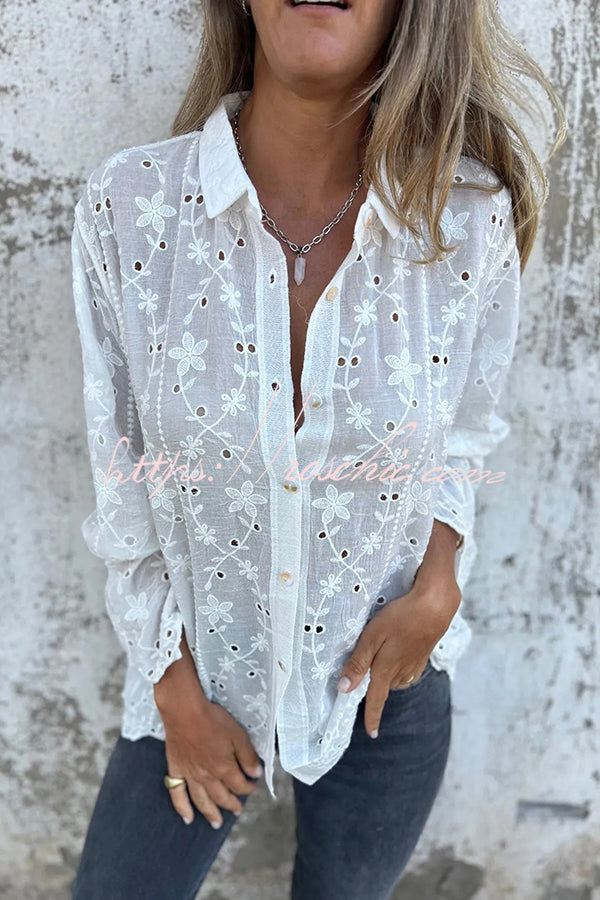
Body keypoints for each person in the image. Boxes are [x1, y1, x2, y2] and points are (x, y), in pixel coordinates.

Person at [70, 1, 565, 897]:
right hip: (195, 681)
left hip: (385, 685)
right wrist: (174, 694)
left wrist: (440, 583)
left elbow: (465, 433)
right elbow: (123, 477)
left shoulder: (468, 218)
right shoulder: (131, 209)